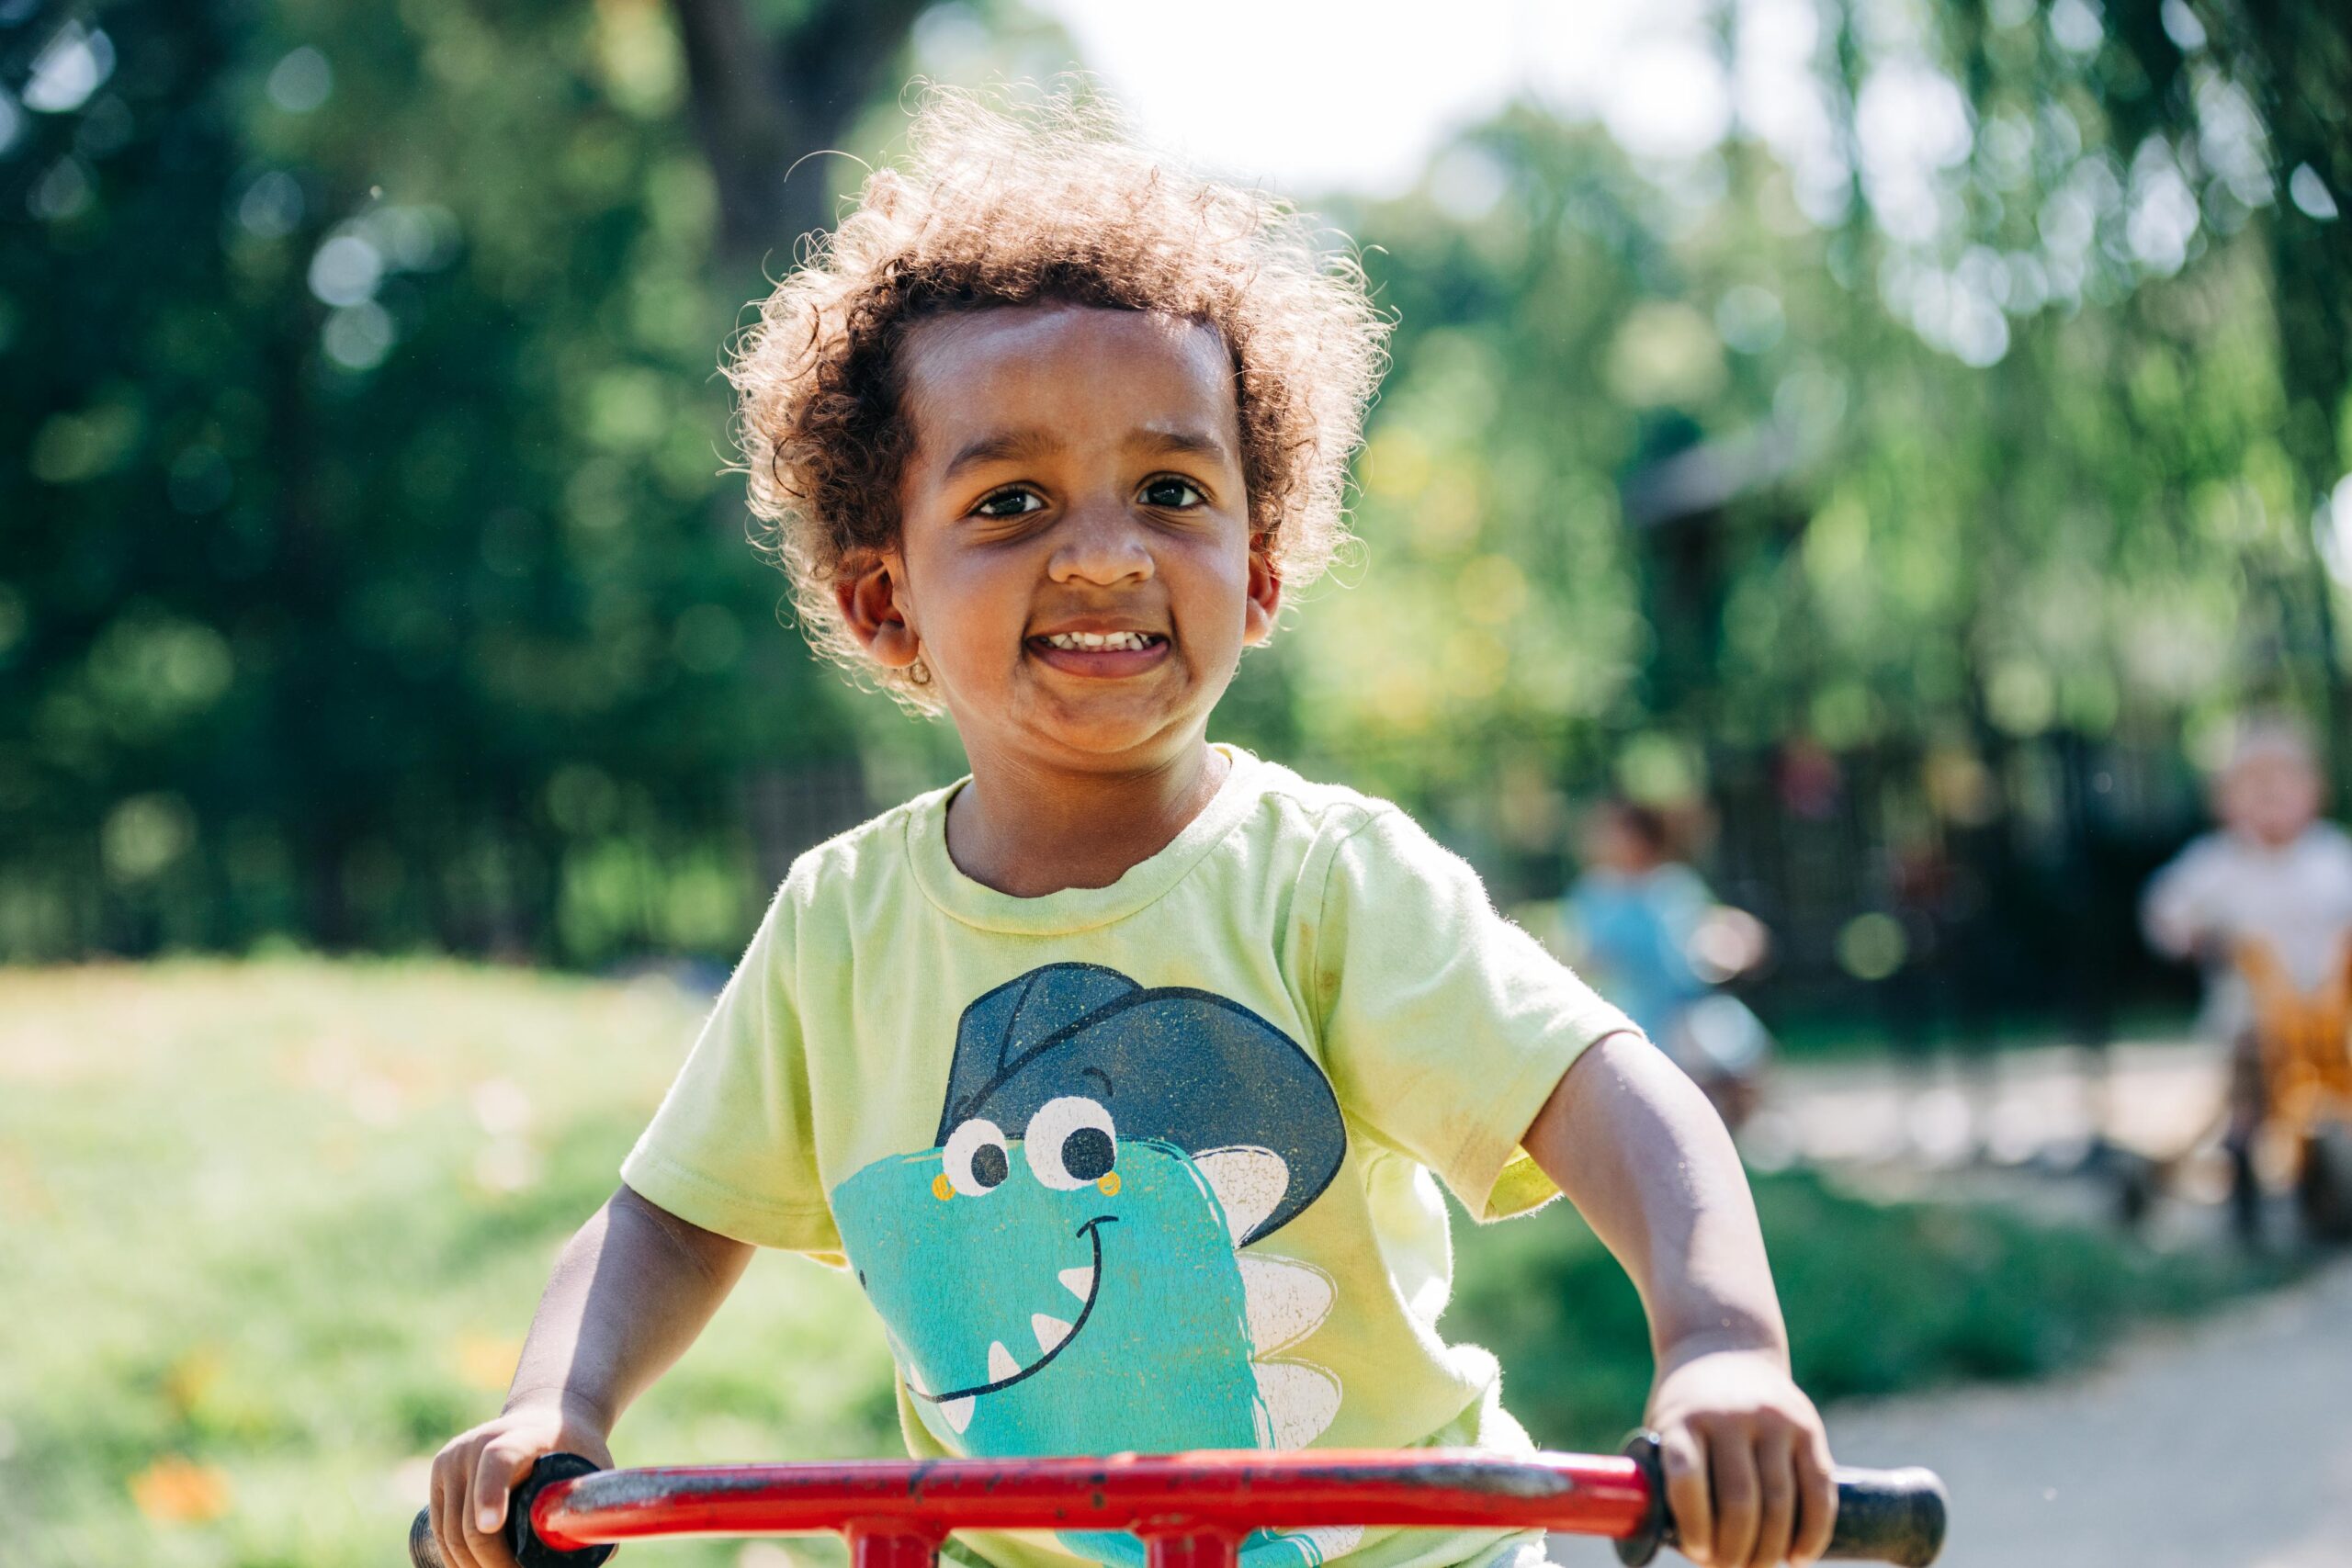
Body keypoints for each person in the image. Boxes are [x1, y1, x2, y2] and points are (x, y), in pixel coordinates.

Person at [425, 89, 1838, 1568]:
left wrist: (1723, 1346)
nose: (1103, 554)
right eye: (1013, 500)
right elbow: (668, 1214)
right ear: (881, 598)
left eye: (1171, 490)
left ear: (1262, 567)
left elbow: (1619, 1097)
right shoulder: (840, 929)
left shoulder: (1328, 882)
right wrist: (558, 1400)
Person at [2141, 716, 2352, 1235]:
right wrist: (2187, 935)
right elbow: (2164, 907)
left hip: (2327, 1012)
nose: (2269, 797)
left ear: (2314, 792)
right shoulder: (2217, 864)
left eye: (2283, 783)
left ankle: (2323, 1187)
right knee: (2247, 1098)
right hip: (2250, 1016)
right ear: (2223, 802)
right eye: (2252, 787)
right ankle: (2242, 1185)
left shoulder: (2331, 858)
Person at [1565, 801, 1773, 1131]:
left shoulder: (1673, 884)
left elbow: (1700, 936)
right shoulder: (1595, 894)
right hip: (1633, 1013)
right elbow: (1586, 957)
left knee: (1739, 1053)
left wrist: (1731, 940)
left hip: (1688, 1005)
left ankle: (1744, 1127)